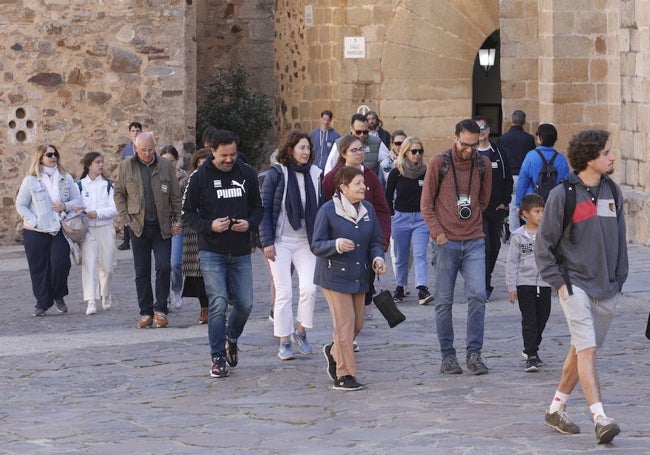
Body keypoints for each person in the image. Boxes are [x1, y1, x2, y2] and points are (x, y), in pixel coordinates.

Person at [536, 129, 628, 444]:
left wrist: (619, 278)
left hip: (608, 287)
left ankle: (556, 408)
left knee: (580, 349)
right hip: (574, 284)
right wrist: (560, 285)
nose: (612, 156)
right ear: (590, 158)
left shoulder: (613, 192)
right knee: (587, 350)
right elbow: (544, 244)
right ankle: (600, 418)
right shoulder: (563, 195)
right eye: (606, 153)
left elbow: (621, 239)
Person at [181, 128, 263, 379]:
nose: (229, 159)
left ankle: (232, 337)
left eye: (233, 154)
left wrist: (249, 223)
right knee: (217, 304)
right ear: (212, 152)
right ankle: (217, 357)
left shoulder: (246, 173)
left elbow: (258, 208)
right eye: (224, 155)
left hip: (240, 252)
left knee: (245, 303)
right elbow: (186, 214)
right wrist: (209, 226)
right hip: (212, 251)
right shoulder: (199, 176)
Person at [420, 119, 492, 375]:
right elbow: (426, 204)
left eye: (475, 145)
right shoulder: (439, 164)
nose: (469, 150)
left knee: (477, 296)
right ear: (454, 138)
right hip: (445, 241)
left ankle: (474, 354)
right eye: (465, 144)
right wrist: (438, 234)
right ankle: (447, 356)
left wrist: (472, 223)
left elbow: (483, 200)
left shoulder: (483, 165)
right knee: (444, 301)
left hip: (473, 239)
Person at [312, 166, 386, 390]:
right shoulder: (328, 210)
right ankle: (345, 375)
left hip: (360, 276)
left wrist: (378, 259)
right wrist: (336, 244)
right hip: (334, 276)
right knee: (345, 325)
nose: (364, 187)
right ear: (343, 187)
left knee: (357, 324)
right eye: (358, 183)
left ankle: (334, 351)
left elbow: (375, 241)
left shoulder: (369, 210)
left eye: (363, 183)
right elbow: (316, 244)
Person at [260, 131, 321, 361]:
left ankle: (301, 331)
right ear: (291, 149)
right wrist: (266, 242)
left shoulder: (315, 174)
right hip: (280, 240)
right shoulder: (278, 173)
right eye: (301, 148)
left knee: (309, 289)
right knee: (284, 292)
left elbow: (322, 207)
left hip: (306, 240)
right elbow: (265, 208)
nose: (305, 152)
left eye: (308, 148)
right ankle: (284, 340)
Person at [114, 132, 182, 328]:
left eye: (151, 149)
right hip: (138, 226)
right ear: (136, 149)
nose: (147, 153)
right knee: (141, 271)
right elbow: (118, 193)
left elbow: (175, 195)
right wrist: (126, 219)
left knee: (164, 267)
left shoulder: (165, 165)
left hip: (162, 226)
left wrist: (177, 219)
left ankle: (160, 309)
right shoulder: (126, 166)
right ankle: (145, 313)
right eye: (143, 150)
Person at [322, 134, 391, 320]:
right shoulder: (331, 179)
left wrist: (383, 239)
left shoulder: (370, 177)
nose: (360, 153)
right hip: (340, 246)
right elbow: (324, 210)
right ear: (343, 153)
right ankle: (344, 337)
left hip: (367, 242)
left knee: (364, 290)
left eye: (362, 149)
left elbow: (382, 210)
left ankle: (354, 327)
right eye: (354, 150)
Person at [16, 145, 82, 316]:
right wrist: (34, 221)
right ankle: (42, 303)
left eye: (55, 154)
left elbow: (77, 200)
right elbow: (21, 205)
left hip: (58, 228)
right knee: (39, 268)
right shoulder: (30, 180)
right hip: (35, 230)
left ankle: (58, 294)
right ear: (40, 158)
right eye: (49, 155)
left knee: (61, 263)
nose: (53, 157)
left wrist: (65, 205)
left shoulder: (65, 178)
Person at [384, 136, 433, 305]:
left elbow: (432, 195)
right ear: (405, 152)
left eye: (420, 151)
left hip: (421, 219)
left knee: (420, 254)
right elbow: (387, 196)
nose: (417, 155)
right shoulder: (396, 172)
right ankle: (400, 286)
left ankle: (422, 288)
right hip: (401, 218)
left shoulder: (426, 171)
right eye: (414, 151)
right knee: (401, 255)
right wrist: (392, 216)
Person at [505, 193, 550, 372]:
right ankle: (532, 355)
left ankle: (531, 346)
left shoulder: (548, 234)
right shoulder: (518, 236)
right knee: (529, 319)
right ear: (525, 213)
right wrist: (512, 287)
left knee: (542, 318)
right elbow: (512, 263)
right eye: (536, 211)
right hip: (525, 283)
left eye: (542, 211)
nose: (540, 215)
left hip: (545, 283)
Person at [473, 116, 513, 301]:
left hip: (496, 209)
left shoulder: (498, 152)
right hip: (477, 210)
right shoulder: (470, 153)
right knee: (485, 247)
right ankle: (482, 284)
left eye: (483, 127)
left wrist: (505, 202)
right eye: (477, 128)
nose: (481, 131)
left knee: (495, 247)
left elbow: (508, 179)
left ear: (488, 130)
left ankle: (485, 280)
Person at [77, 152, 118, 316]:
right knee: (89, 265)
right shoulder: (79, 185)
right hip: (87, 230)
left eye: (102, 162)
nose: (101, 165)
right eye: (97, 162)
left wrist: (98, 213)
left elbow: (114, 209)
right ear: (89, 165)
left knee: (107, 266)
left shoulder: (108, 185)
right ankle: (91, 300)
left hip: (105, 228)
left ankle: (105, 293)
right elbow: (75, 205)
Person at [181, 148, 212, 324]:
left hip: (214, 230)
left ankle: (217, 305)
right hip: (193, 233)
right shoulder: (187, 183)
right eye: (199, 165)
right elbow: (180, 205)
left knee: (214, 271)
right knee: (198, 273)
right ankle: (204, 307)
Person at [498, 110, 536, 236]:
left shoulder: (503, 138)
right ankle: (530, 231)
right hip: (525, 176)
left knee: (513, 206)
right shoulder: (529, 139)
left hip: (509, 175)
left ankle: (514, 234)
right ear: (524, 122)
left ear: (511, 121)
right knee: (529, 204)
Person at [515, 123, 570, 208]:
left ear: (540, 138)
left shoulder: (531, 156)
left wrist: (519, 204)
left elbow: (523, 181)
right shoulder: (561, 158)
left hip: (533, 202)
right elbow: (565, 183)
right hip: (555, 203)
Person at [160, 145, 188, 311]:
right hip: (162, 226)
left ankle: (176, 288)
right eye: (165, 161)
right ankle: (165, 296)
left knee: (176, 263)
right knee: (163, 265)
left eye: (171, 160)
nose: (168, 164)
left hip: (178, 225)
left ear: (176, 161)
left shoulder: (185, 180)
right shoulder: (158, 179)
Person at [323, 113, 390, 175]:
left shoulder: (376, 143)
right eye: (358, 132)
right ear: (351, 128)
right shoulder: (340, 143)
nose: (362, 135)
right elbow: (329, 169)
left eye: (365, 132)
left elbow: (387, 163)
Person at [118, 121, 142, 250]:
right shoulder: (127, 150)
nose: (135, 133)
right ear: (129, 133)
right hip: (129, 184)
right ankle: (126, 240)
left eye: (137, 130)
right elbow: (122, 167)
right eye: (133, 131)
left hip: (141, 183)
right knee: (127, 211)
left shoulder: (144, 147)